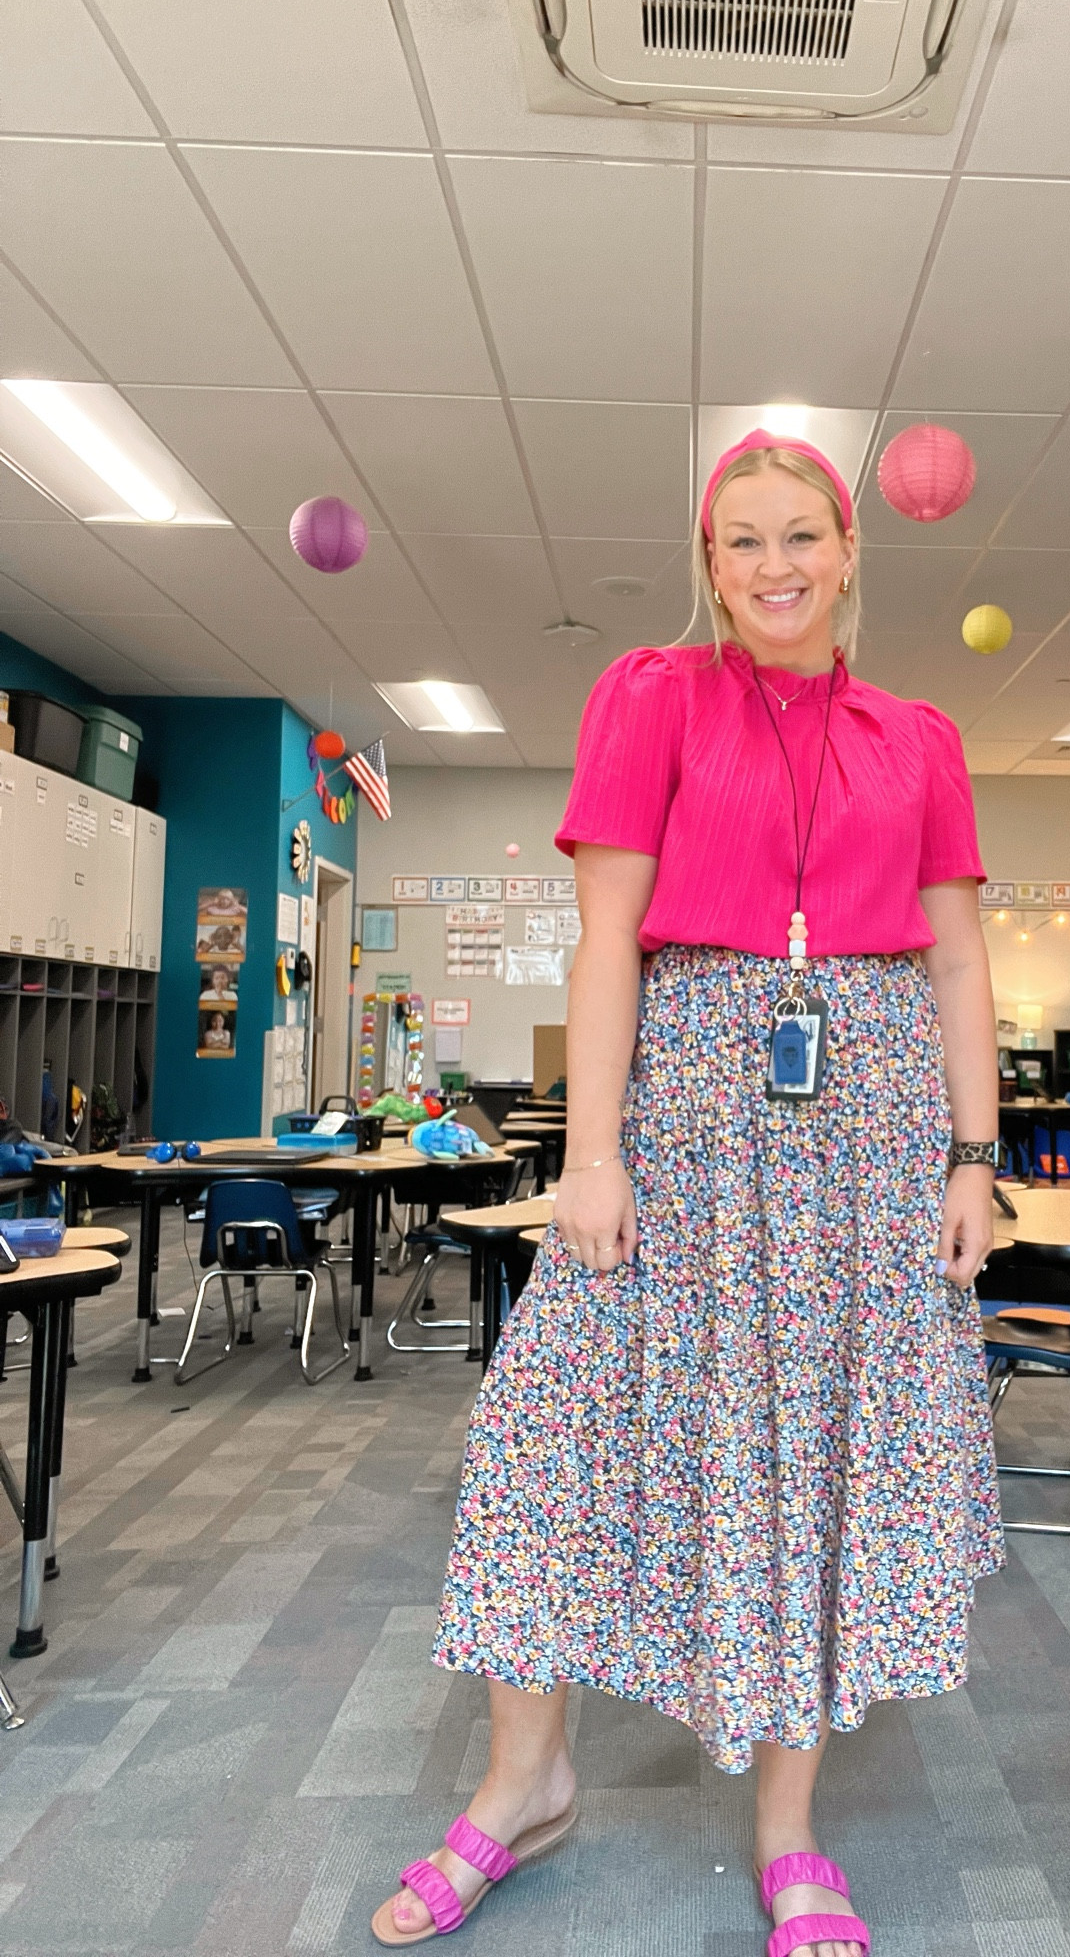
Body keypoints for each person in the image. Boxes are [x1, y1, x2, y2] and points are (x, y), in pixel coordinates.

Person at [373, 431, 1005, 1954]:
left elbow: (958, 958)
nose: (776, 566)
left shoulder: (918, 736)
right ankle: (526, 1781)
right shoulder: (650, 695)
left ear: (850, 550)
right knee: (549, 1434)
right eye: (744, 541)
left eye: (803, 536)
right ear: (711, 565)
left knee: (816, 1457)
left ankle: (790, 1831)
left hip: (871, 1129)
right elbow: (608, 939)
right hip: (684, 1113)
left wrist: (975, 1159)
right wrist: (591, 1155)